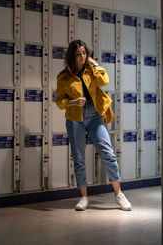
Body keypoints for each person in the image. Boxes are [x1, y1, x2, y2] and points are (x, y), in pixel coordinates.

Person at [56, 40, 132, 211]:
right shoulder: (63, 77)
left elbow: (104, 80)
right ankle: (83, 197)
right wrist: (73, 102)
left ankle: (119, 194)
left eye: (84, 53)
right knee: (79, 158)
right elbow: (59, 101)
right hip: (75, 117)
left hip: (94, 114)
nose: (82, 57)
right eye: (78, 54)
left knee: (108, 153)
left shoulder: (91, 70)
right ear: (71, 56)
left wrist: (95, 63)